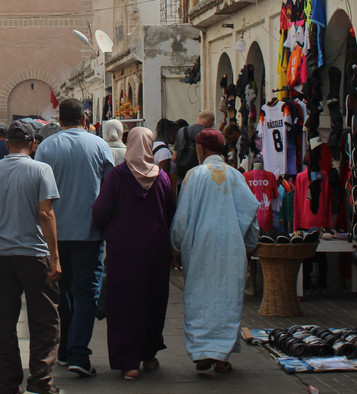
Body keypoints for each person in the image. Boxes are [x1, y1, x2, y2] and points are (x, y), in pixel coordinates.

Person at [0, 120, 61, 394]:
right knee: (44, 320)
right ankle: (42, 378)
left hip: (1, 256)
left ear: (6, 144)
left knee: (2, 323)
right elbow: (46, 214)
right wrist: (55, 257)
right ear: (32, 144)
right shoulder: (41, 170)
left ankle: (8, 385)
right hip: (34, 255)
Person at [34, 98, 114, 377]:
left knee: (63, 292)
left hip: (55, 234)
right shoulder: (99, 145)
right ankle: (78, 352)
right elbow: (109, 189)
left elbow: (38, 191)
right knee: (87, 293)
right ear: (85, 119)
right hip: (89, 232)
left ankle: (67, 350)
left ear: (59, 120)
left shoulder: (46, 147)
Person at [170, 127, 259, 373]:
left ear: (200, 149)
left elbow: (182, 217)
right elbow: (251, 213)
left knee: (199, 297)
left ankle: (202, 351)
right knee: (228, 297)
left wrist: (175, 246)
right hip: (231, 247)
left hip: (200, 247)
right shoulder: (236, 176)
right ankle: (221, 355)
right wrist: (249, 245)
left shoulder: (193, 176)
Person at [91, 127, 175, 379]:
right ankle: (148, 355)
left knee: (125, 304)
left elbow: (101, 210)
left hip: (124, 252)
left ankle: (129, 363)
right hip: (155, 252)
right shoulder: (162, 178)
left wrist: (109, 231)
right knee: (152, 301)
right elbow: (171, 211)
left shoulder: (117, 176)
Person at [171, 111, 215, 188]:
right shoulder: (208, 133)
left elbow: (174, 158)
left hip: (183, 178)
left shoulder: (181, 131)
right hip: (201, 178)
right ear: (210, 120)